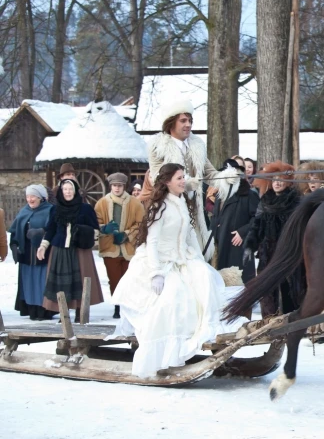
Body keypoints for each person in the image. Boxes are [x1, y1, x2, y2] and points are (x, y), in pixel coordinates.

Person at [108, 163, 242, 377]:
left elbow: (188, 236)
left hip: (182, 258)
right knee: (172, 296)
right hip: (160, 260)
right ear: (167, 182)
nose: (183, 181)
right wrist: (156, 273)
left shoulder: (182, 202)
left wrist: (198, 260)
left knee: (205, 278)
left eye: (183, 177)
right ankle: (166, 352)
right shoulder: (159, 206)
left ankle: (205, 334)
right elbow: (152, 242)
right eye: (179, 178)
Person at [143, 99, 218, 260]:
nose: (188, 124)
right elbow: (158, 177)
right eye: (183, 120)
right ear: (171, 123)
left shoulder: (197, 146)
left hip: (195, 209)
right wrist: (187, 183)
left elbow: (210, 174)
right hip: (168, 209)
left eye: (190, 120)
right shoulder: (158, 147)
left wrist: (230, 177)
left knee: (197, 257)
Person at [37, 179, 105, 322]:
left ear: (75, 191)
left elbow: (94, 229)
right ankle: (64, 313)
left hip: (79, 250)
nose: (68, 192)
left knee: (81, 281)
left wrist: (82, 233)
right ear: (61, 191)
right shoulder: (55, 209)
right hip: (60, 250)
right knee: (62, 283)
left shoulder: (85, 208)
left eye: (70, 189)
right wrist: (43, 246)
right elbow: (51, 229)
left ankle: (81, 312)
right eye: (65, 189)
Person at [243, 161, 301, 317]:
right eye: (275, 179)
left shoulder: (295, 201)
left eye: (281, 179)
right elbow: (256, 225)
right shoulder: (266, 200)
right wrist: (250, 245)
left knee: (291, 289)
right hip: (267, 254)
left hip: (289, 254)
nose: (277, 183)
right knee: (268, 291)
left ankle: (293, 321)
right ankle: (270, 322)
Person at [95, 173, 145, 318]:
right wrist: (104, 228)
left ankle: (128, 306)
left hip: (129, 248)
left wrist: (127, 235)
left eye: (120, 185)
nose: (117, 188)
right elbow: (95, 222)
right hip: (110, 248)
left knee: (129, 278)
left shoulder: (135, 204)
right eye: (114, 185)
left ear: (124, 186)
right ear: (111, 186)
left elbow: (141, 224)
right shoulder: (102, 203)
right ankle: (117, 306)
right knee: (114, 278)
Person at [210, 159, 259, 284]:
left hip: (238, 247)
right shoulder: (219, 195)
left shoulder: (248, 195)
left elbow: (258, 218)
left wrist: (242, 232)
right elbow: (216, 217)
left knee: (240, 286)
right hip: (220, 245)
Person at [9, 185, 55, 320]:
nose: (30, 199)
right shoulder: (24, 211)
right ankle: (31, 310)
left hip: (43, 252)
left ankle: (44, 311)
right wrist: (14, 246)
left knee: (41, 283)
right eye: (28, 196)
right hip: (26, 254)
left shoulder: (50, 210)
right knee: (29, 283)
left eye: (33, 196)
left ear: (40, 198)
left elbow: (54, 229)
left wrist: (41, 232)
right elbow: (14, 231)